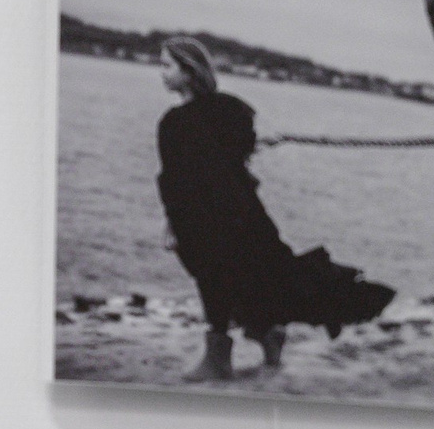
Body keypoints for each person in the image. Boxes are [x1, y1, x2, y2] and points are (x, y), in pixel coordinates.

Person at [155, 33, 394, 381]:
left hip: (204, 217)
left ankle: (219, 359)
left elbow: (174, 181)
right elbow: (236, 157)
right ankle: (267, 334)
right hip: (243, 212)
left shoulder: (173, 123)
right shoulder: (231, 110)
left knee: (213, 279)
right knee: (260, 275)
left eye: (167, 66)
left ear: (188, 71)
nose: (161, 73)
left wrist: (172, 222)